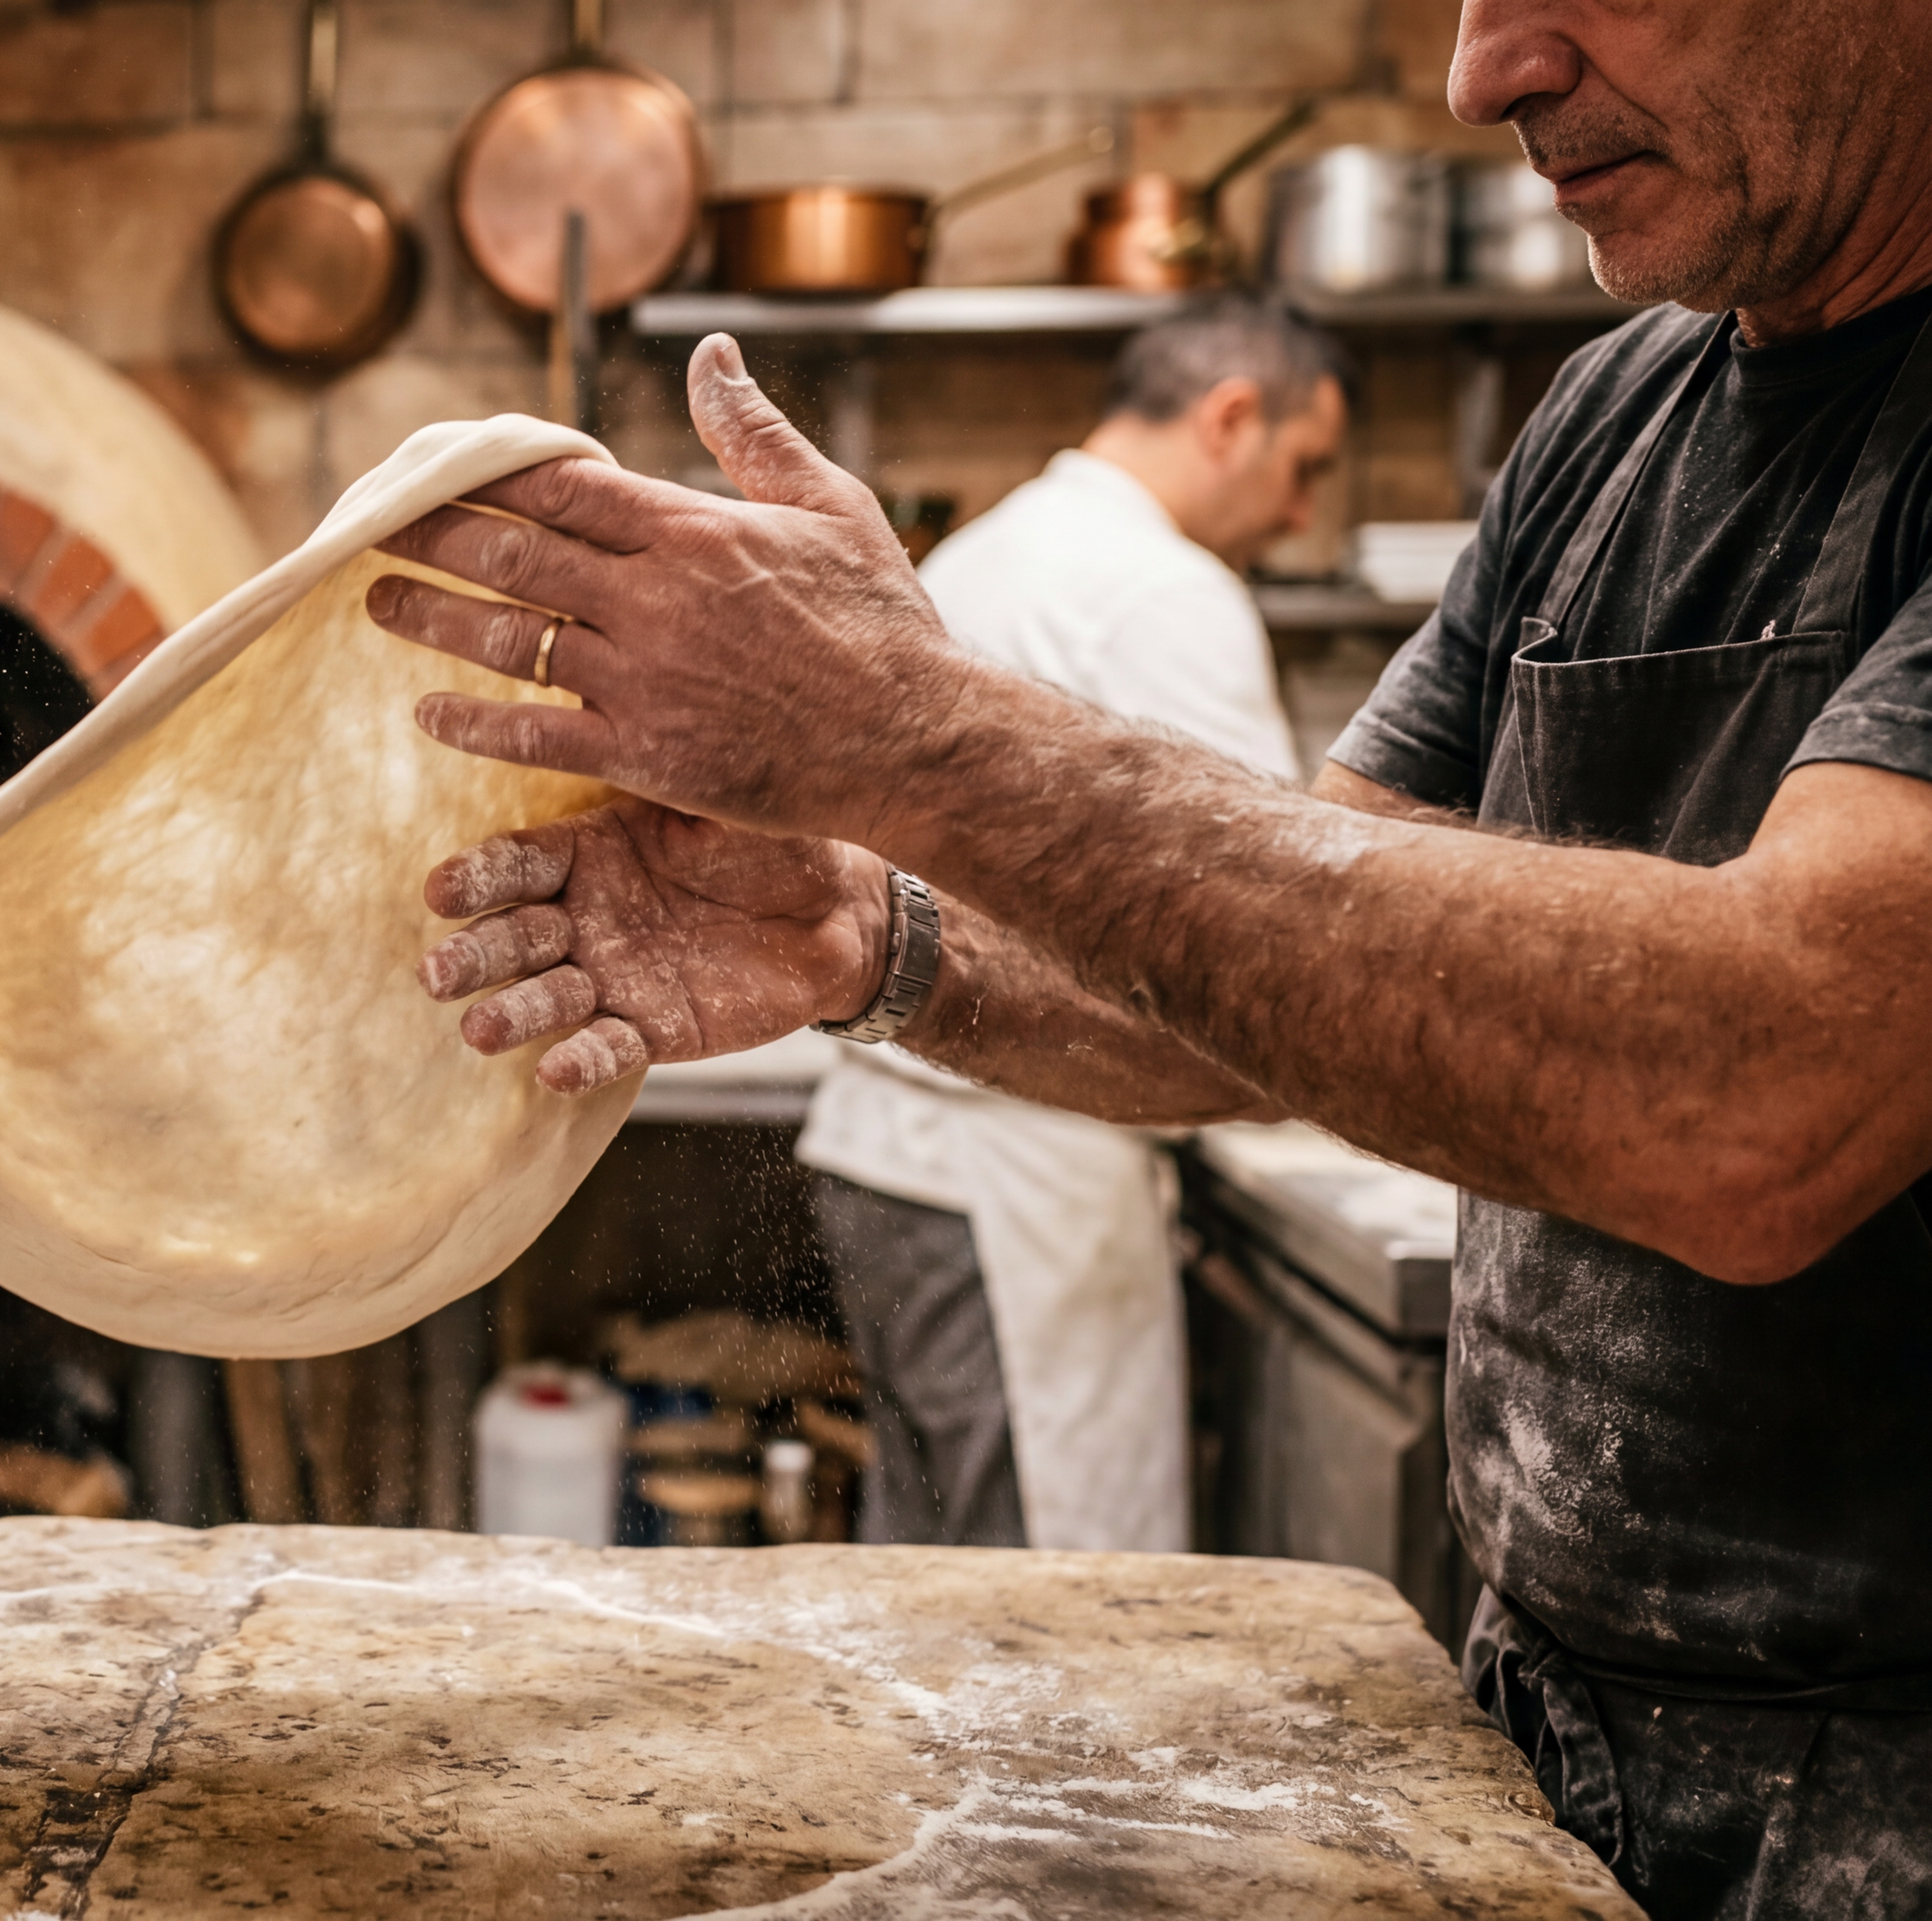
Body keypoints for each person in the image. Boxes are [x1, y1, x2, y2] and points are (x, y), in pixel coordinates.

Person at [365, 0, 1932, 1909]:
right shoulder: (1613, 426)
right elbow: (1308, 977)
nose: (1480, 72)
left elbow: (1769, 1089)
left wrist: (912, 738)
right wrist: (874, 934)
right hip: (1560, 1723)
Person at [797, 300, 1345, 1556]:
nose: (1299, 515)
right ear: (1229, 418)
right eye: (1303, 468)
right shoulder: (1163, 592)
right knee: (1043, 1628)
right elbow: (1268, 921)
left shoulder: (987, 552)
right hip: (1013, 1185)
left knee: (929, 1600)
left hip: (893, 1158)